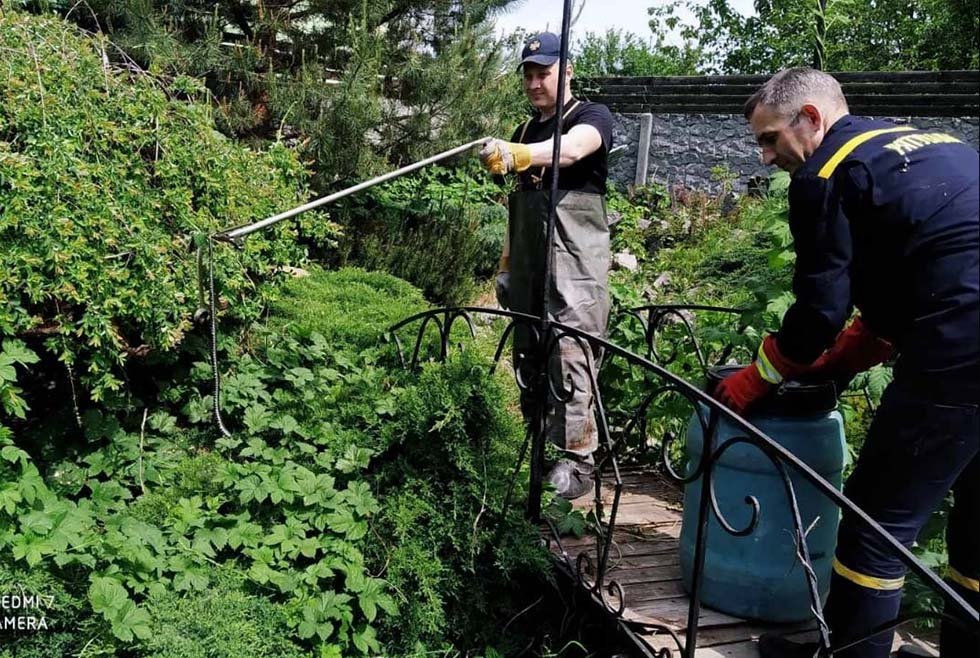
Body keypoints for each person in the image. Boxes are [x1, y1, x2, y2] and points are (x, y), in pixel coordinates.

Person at [712, 68, 979, 658]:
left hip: (962, 348)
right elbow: (922, 260)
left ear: (811, 117)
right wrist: (853, 354)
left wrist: (760, 376)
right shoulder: (933, 145)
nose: (765, 158)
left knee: (874, 528)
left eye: (770, 138)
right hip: (963, 326)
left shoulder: (825, 174)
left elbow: (817, 313)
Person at [479, 31, 614, 500]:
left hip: (576, 264)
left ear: (567, 71)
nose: (536, 83)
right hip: (532, 265)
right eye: (529, 75)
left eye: (545, 73)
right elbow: (517, 208)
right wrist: (507, 266)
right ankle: (537, 449)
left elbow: (574, 149)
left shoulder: (591, 117)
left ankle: (578, 462)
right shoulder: (522, 131)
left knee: (571, 355)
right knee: (530, 357)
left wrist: (520, 156)